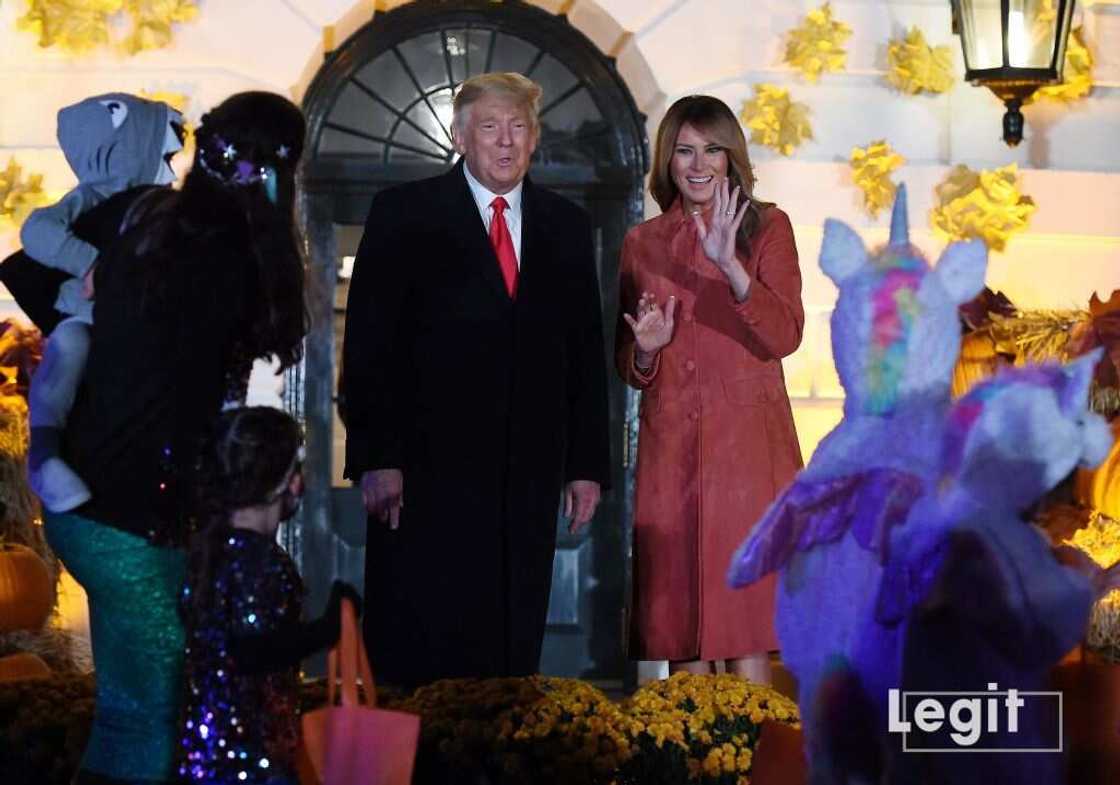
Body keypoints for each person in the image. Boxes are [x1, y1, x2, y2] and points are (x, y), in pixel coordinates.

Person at [42, 91, 308, 785]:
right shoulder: (233, 256)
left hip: (91, 500)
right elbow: (199, 408)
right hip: (131, 516)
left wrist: (83, 293)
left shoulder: (144, 216)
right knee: (151, 717)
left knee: (133, 712)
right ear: (281, 174)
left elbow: (29, 256)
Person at [341, 72, 611, 688]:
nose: (506, 141)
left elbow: (584, 352)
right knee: (419, 650)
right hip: (421, 478)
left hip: (527, 478)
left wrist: (587, 466)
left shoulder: (566, 225)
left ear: (536, 137)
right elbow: (368, 347)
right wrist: (377, 456)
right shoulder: (403, 213)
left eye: (518, 126)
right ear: (461, 137)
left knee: (509, 654)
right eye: (490, 127)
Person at [616, 95, 803, 682]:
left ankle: (760, 766)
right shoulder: (641, 242)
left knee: (749, 626)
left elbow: (785, 334)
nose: (698, 165)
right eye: (684, 150)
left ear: (732, 158)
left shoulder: (769, 226)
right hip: (672, 456)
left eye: (712, 149)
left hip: (749, 453)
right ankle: (692, 766)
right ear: (667, 161)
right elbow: (627, 364)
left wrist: (733, 268)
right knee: (684, 631)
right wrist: (645, 348)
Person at [16, 93, 183, 512]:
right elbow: (36, 231)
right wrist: (92, 264)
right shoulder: (90, 199)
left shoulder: (162, 211)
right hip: (86, 316)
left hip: (135, 329)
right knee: (67, 352)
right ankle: (45, 457)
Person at [179, 406, 361, 785]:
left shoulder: (209, 552)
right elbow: (253, 650)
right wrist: (327, 629)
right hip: (251, 756)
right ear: (281, 482)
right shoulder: (257, 560)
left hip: (206, 752)